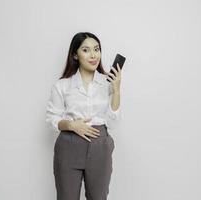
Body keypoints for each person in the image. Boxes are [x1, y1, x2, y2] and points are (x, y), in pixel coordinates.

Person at [45, 32, 122, 200]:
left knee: (98, 197)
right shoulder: (62, 85)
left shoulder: (107, 83)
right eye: (86, 50)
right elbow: (52, 119)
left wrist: (116, 90)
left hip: (100, 145)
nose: (93, 55)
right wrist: (72, 126)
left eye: (97, 49)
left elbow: (113, 123)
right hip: (69, 145)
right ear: (75, 55)